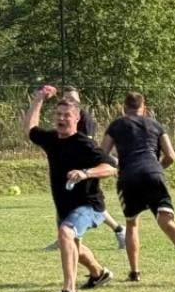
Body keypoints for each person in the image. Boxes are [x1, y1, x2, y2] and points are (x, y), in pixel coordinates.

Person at [23, 85, 118, 292]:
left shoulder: (84, 144)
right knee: (74, 245)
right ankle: (99, 273)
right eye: (58, 114)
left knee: (66, 233)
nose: (61, 118)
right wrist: (39, 99)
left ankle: (70, 291)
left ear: (77, 119)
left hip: (89, 206)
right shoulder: (52, 139)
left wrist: (86, 173)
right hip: (65, 206)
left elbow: (111, 168)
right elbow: (30, 129)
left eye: (67, 115)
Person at [101, 92, 175, 286]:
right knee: (166, 220)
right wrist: (157, 168)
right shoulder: (155, 124)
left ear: (123, 108)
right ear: (144, 108)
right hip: (154, 173)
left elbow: (102, 153)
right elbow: (171, 155)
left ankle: (134, 272)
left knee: (132, 223)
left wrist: (118, 164)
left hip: (129, 176)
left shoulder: (117, 125)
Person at [39, 86, 124, 253]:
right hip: (72, 168)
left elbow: (87, 147)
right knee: (67, 201)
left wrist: (85, 172)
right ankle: (67, 238)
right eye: (67, 98)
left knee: (88, 204)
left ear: (79, 102)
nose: (70, 101)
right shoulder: (62, 117)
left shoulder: (85, 119)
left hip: (86, 169)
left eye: (73, 99)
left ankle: (115, 230)